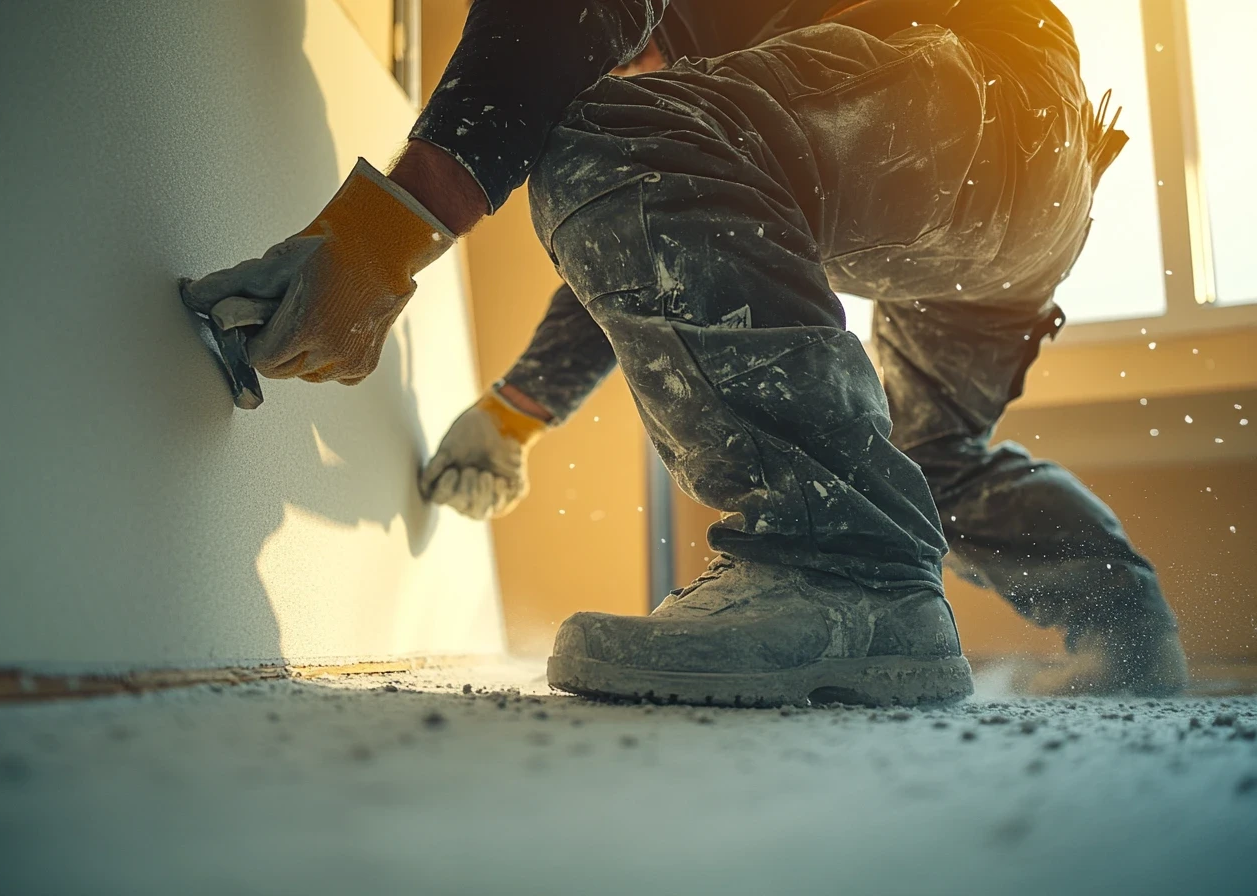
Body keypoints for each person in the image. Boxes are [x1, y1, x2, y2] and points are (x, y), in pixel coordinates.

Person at [182, 0, 1187, 705]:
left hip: (975, 98)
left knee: (616, 141)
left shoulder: (695, 42)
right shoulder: (737, 63)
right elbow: (679, 235)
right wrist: (512, 415)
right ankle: (1126, 622)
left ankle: (835, 572)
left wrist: (378, 238)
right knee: (924, 461)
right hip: (1033, 178)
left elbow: (636, 157)